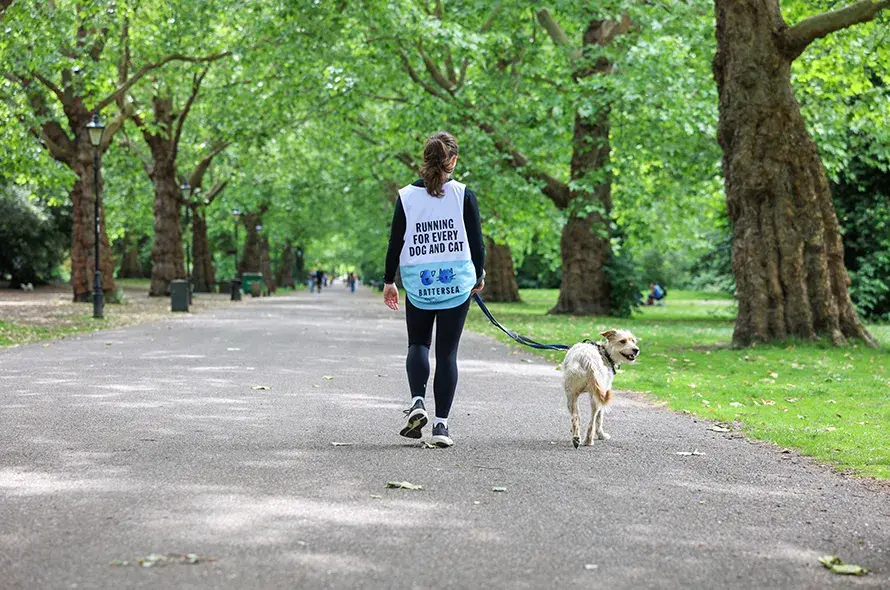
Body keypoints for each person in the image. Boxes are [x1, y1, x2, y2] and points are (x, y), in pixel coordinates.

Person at [383, 131, 485, 448]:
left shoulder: (406, 197)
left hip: (419, 283)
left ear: (424, 160)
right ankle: (441, 426)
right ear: (452, 160)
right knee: (447, 353)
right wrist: (479, 276)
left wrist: (389, 281)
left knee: (418, 345)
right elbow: (476, 241)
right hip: (456, 282)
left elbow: (395, 241)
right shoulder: (463, 194)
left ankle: (417, 401)